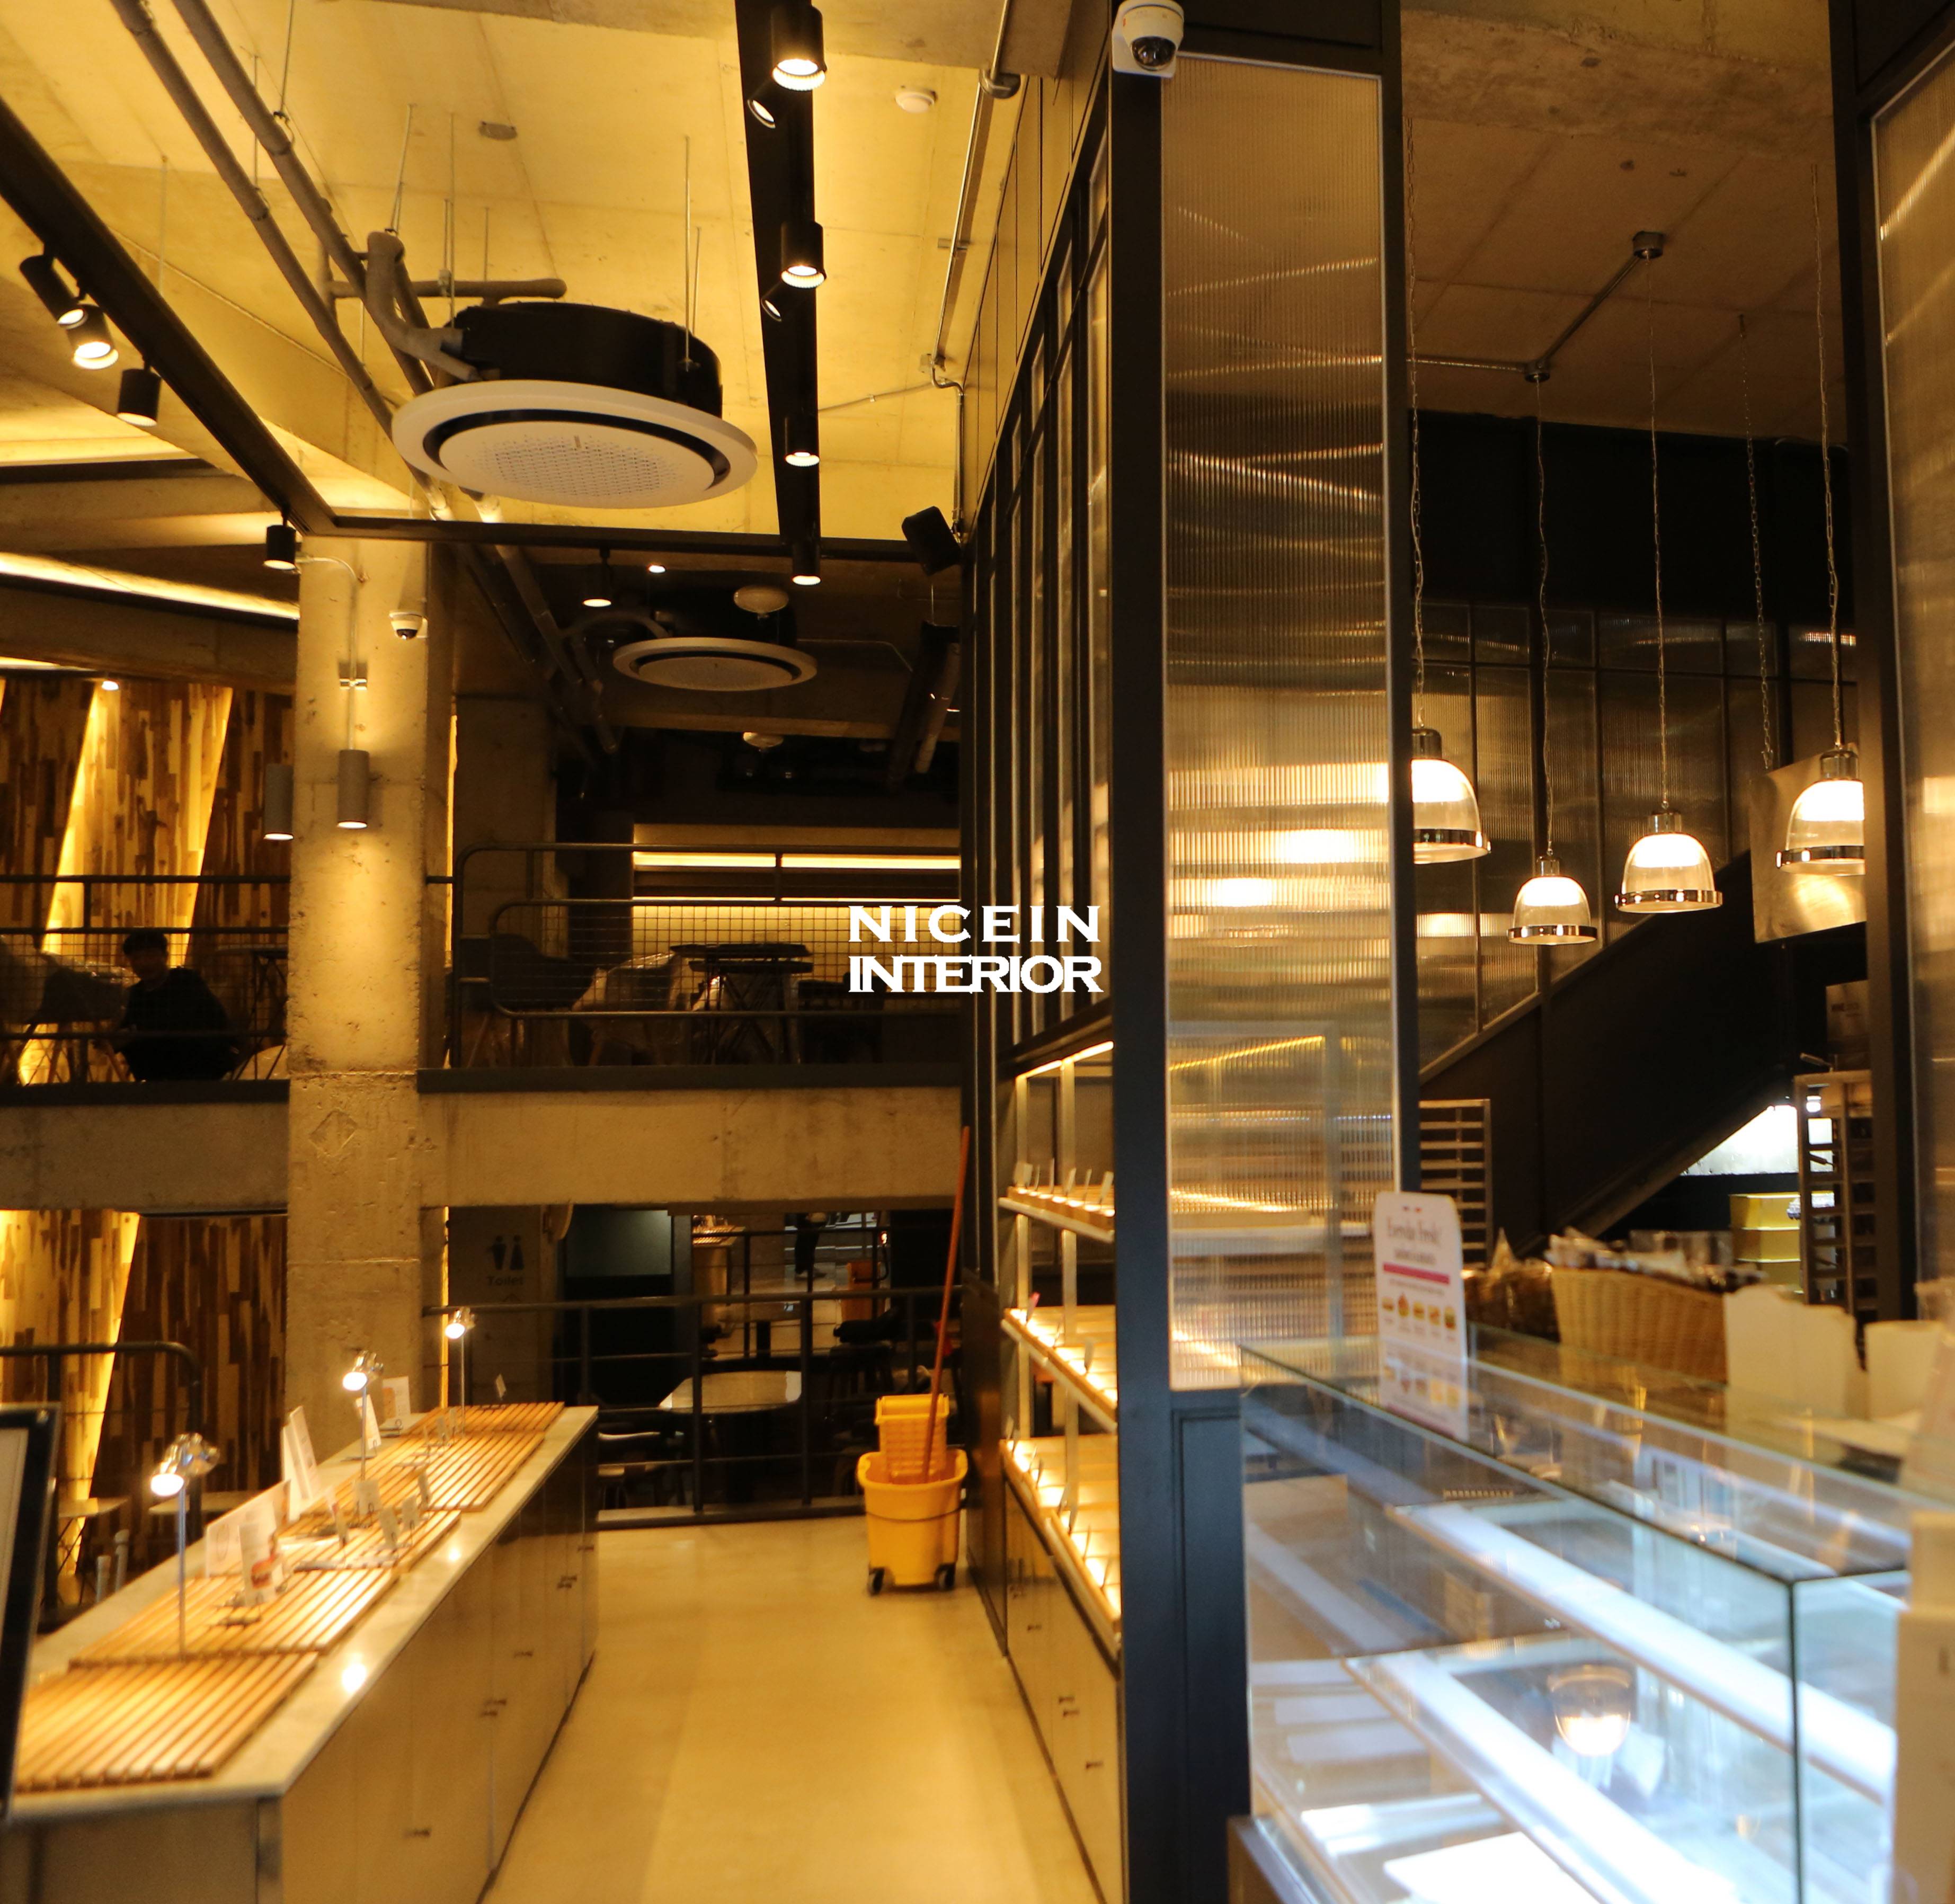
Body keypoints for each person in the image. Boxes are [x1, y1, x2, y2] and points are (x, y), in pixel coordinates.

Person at [116, 929, 238, 1081]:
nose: (144, 963)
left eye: (151, 956)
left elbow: (179, 1020)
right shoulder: (135, 995)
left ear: (165, 956)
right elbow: (123, 1030)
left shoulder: (186, 981)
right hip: (158, 1075)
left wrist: (134, 1032)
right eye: (137, 958)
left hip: (201, 1067)